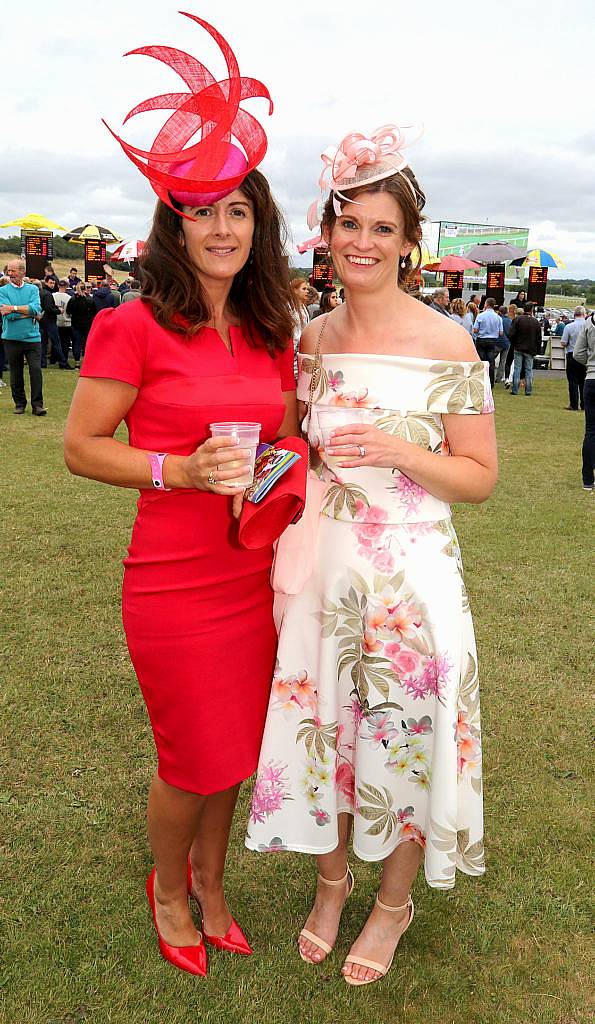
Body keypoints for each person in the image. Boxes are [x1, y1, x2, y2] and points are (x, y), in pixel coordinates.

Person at [64, 15, 298, 979]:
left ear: (258, 225)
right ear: (173, 222)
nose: (222, 228)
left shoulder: (272, 325)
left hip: (256, 573)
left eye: (238, 210)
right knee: (188, 758)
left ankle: (213, 881)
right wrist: (178, 470)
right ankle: (168, 886)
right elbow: (81, 448)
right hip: (172, 580)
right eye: (202, 212)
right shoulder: (132, 323)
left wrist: (286, 464)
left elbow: (283, 438)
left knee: (236, 753)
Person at [246, 125, 497, 986]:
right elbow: (292, 451)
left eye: (381, 228)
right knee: (327, 733)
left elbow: (478, 478)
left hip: (412, 579)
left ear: (408, 242)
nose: (362, 242)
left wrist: (399, 451)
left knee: (401, 738)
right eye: (347, 224)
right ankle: (329, 882)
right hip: (325, 571)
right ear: (325, 234)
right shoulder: (310, 338)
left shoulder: (446, 344)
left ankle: (392, 904)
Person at [0, 258, 45, 414]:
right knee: (16, 372)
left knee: (35, 370)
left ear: (22, 272)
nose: (10, 274)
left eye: (13, 271)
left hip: (32, 338)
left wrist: (13, 308)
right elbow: (8, 316)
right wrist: (28, 313)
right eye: (8, 271)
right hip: (11, 338)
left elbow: (36, 309)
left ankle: (37, 405)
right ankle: (20, 404)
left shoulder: (32, 289)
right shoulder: (2, 291)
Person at [572, 312, 595, 491]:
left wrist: (591, 364)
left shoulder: (589, 323)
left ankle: (587, 479)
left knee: (591, 431)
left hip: (592, 378)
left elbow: (578, 353)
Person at [508, 302, 541, 396]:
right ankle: (528, 390)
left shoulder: (518, 320)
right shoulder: (535, 322)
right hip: (530, 349)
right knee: (528, 369)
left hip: (518, 347)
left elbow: (511, 334)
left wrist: (514, 344)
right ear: (531, 310)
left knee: (517, 368)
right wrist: (537, 350)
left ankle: (515, 389)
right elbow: (539, 338)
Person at [40, 278, 71, 369]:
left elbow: (46, 306)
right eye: (51, 283)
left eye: (53, 283)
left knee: (43, 342)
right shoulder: (48, 294)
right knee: (56, 342)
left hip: (42, 320)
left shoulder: (43, 293)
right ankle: (63, 362)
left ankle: (43, 363)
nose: (52, 284)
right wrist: (58, 310)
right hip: (49, 321)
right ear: (46, 283)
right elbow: (48, 308)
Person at [560, 306, 587, 410]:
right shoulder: (588, 326)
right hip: (585, 356)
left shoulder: (569, 326)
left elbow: (563, 342)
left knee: (573, 380)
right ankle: (584, 404)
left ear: (574, 314)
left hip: (572, 355)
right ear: (584, 314)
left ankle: (573, 404)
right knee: (584, 381)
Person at [472, 297, 502, 386]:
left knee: (481, 360)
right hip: (492, 340)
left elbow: (475, 329)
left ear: (486, 304)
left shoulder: (480, 316)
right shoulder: (498, 317)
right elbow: (501, 332)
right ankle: (490, 382)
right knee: (491, 361)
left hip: (481, 339)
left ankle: (480, 380)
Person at [66, 282, 97, 366]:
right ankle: (89, 361)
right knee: (88, 342)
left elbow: (68, 311)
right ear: (86, 289)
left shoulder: (73, 299)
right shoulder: (90, 300)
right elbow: (95, 311)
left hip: (76, 323)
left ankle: (77, 362)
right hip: (88, 324)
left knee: (76, 342)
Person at [290, 275, 311, 378]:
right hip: (293, 351)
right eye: (304, 289)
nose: (307, 291)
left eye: (307, 289)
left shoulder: (303, 307)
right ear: (295, 290)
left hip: (301, 350)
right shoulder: (290, 308)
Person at [54, 280, 74, 364]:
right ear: (66, 287)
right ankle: (64, 359)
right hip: (66, 322)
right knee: (65, 343)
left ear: (58, 286)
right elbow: (71, 311)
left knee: (56, 342)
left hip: (56, 322)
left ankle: (55, 359)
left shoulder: (53, 296)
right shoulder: (69, 298)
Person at [495, 305, 511, 383]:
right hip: (506, 343)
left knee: (491, 359)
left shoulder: (498, 319)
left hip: (497, 342)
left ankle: (489, 375)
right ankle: (499, 377)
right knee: (503, 361)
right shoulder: (509, 321)